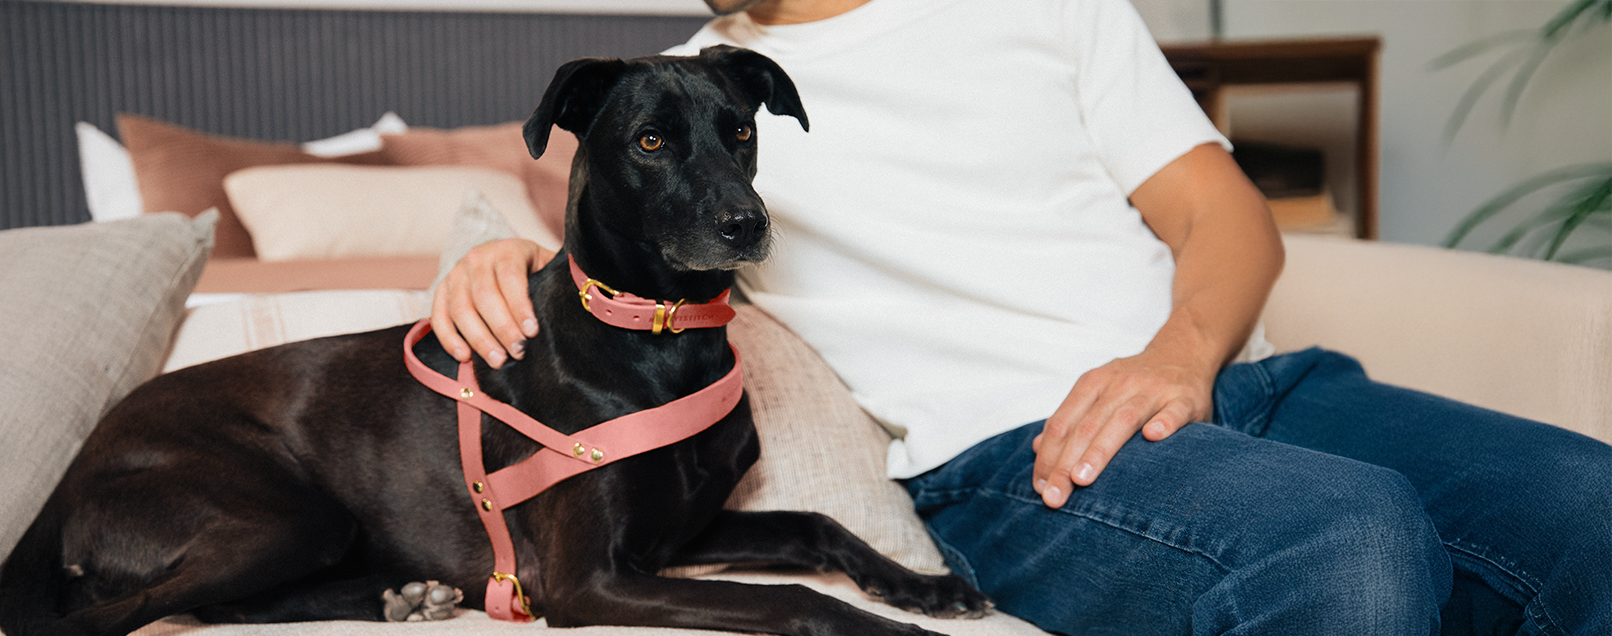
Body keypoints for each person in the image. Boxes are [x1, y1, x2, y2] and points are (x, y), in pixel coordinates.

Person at [429, 0, 1612, 634]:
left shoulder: (1046, 7)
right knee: (1348, 536)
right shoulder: (680, 84)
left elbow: (1228, 215)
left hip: (1252, 384)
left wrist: (1177, 358)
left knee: (1589, 502)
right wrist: (494, 256)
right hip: (1023, 458)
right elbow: (606, 239)